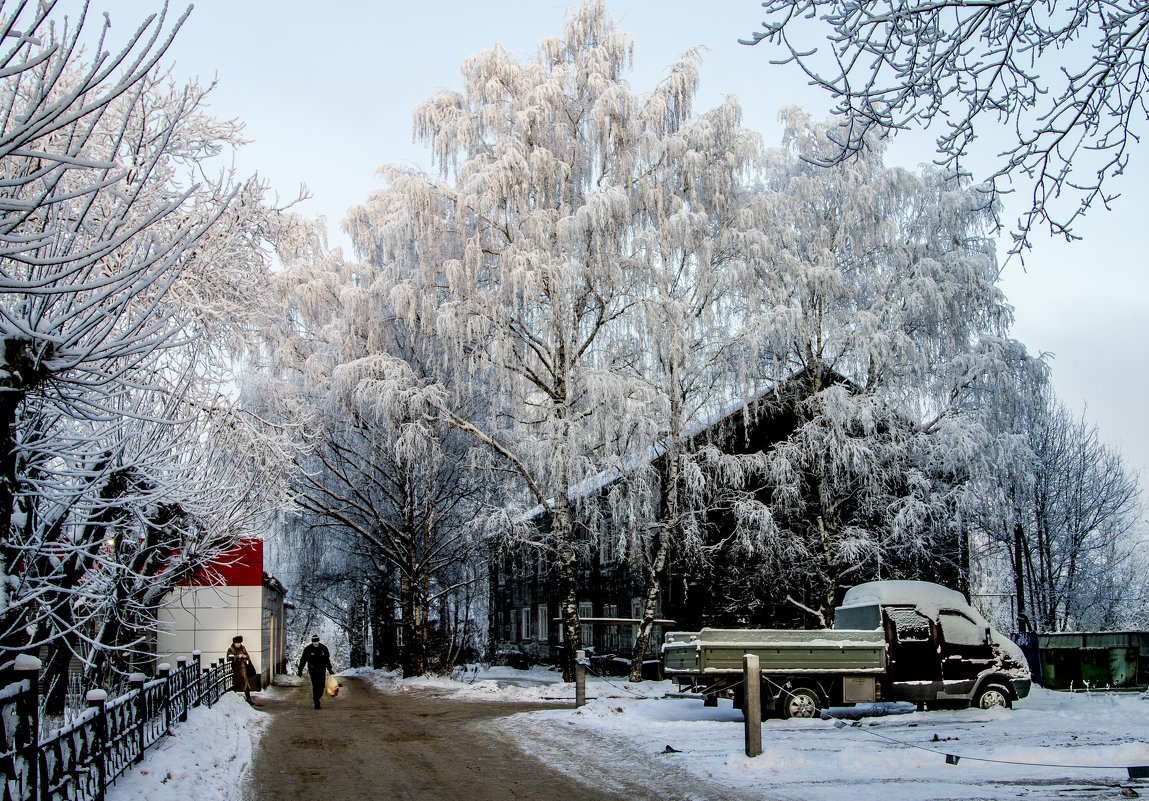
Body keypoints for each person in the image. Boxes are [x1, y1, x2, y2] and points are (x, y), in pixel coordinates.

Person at [297, 634, 334, 709]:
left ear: (319, 641)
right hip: (312, 670)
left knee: (322, 686)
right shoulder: (308, 649)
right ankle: (316, 701)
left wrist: (330, 669)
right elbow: (303, 660)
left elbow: (327, 660)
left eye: (317, 642)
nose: (316, 643)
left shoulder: (323, 648)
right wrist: (300, 670)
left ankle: (317, 697)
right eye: (314, 642)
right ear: (312, 642)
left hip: (321, 670)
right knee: (315, 685)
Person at [226, 635, 253, 703]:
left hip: (243, 669)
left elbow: (248, 656)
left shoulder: (243, 648)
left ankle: (248, 697)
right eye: (237, 643)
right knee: (236, 684)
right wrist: (238, 656)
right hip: (236, 669)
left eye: (240, 643)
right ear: (234, 643)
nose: (239, 644)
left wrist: (244, 656)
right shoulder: (231, 649)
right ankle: (235, 699)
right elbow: (229, 659)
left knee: (245, 683)